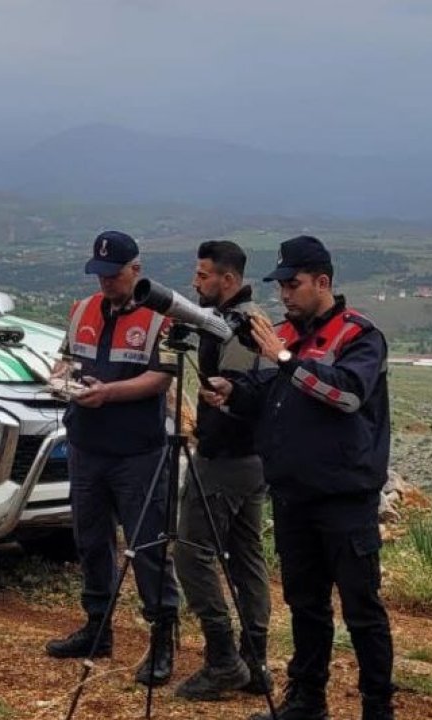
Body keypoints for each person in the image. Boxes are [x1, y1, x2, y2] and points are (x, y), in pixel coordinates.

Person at [201, 235, 395, 720]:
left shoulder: (359, 335)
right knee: (305, 605)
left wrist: (284, 360)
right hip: (292, 496)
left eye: (294, 284)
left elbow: (346, 395)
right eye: (281, 286)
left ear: (322, 282)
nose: (284, 294)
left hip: (345, 498)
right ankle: (307, 701)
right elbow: (264, 393)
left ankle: (377, 707)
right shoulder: (283, 335)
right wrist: (232, 392)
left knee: (361, 609)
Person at [44, 229, 180, 687]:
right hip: (86, 446)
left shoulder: (161, 318)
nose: (105, 282)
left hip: (137, 452)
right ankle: (97, 627)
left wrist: (110, 393)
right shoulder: (82, 309)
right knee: (90, 539)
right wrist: (60, 379)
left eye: (113, 274)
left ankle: (162, 638)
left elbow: (161, 378)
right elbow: (67, 358)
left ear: (135, 270)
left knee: (147, 547)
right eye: (99, 274)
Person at [173, 240, 273, 702]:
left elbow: (236, 398)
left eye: (203, 275)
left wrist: (211, 433)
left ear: (227, 279)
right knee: (247, 558)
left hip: (226, 459)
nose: (195, 283)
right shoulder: (244, 320)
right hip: (251, 461)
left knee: (191, 554)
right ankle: (255, 663)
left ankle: (223, 661)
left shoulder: (239, 329)